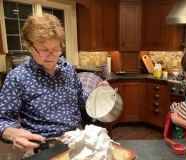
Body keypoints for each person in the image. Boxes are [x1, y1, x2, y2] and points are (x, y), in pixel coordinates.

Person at [0, 13, 109, 154]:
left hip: (77, 140)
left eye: (56, 49)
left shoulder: (68, 69)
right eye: (44, 50)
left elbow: (78, 98)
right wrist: (13, 134)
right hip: (42, 146)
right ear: (29, 46)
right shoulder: (17, 77)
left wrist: (95, 94)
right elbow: (3, 119)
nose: (51, 56)